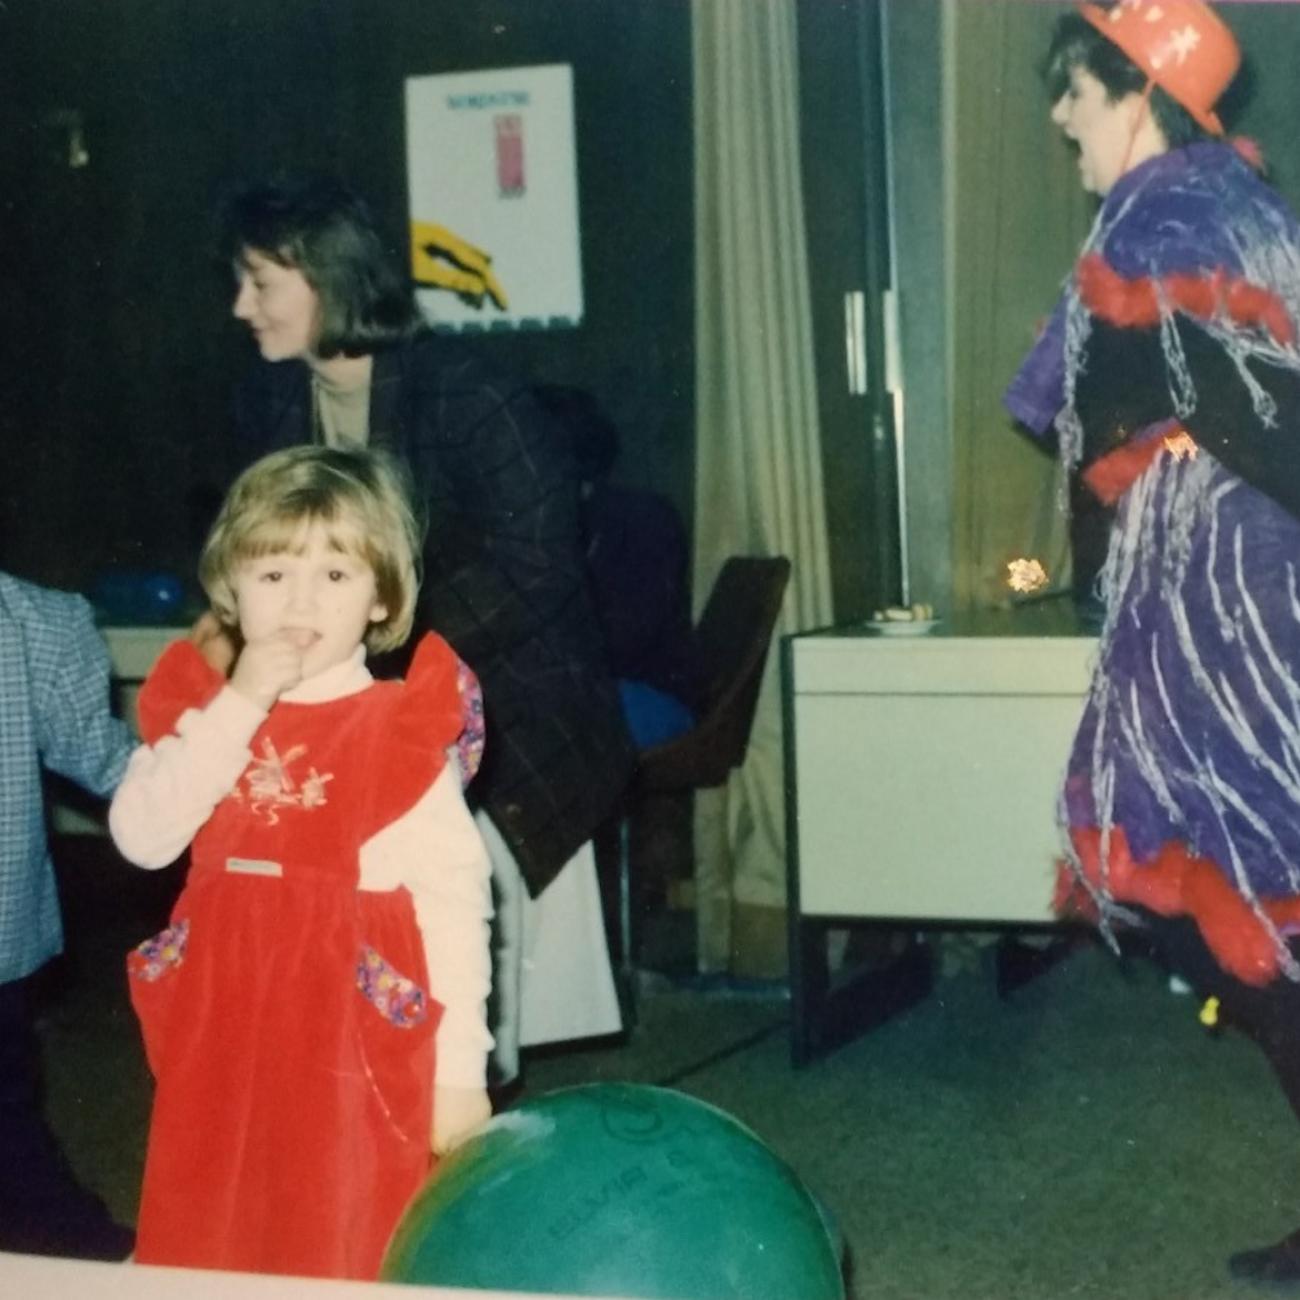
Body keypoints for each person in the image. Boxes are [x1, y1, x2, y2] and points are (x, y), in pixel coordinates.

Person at [217, 177, 635, 1086]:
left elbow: (542, 564)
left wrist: (387, 656)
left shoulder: (469, 393)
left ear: (326, 279)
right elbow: (254, 547)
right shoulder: (268, 402)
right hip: (344, 688)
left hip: (511, 690)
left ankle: (459, 1085)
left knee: (438, 914)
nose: (240, 306)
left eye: (260, 283)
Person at [1005, 0, 1300, 1283]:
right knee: (1236, 879)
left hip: (1219, 594)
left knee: (1216, 873)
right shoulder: (1236, 208)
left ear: (1139, 89)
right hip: (1234, 575)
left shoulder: (1158, 213)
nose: (1060, 114)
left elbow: (1064, 396)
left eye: (1074, 88)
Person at [109, 445, 493, 1279]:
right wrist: (240, 703)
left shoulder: (397, 732)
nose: (301, 602)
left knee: (340, 1227)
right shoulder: (204, 718)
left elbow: (456, 906)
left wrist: (459, 1072)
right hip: (223, 1029)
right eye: (274, 575)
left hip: (343, 1042)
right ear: (233, 591)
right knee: (212, 1219)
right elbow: (143, 838)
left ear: (381, 596)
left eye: (335, 575)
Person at [0, 572, 136, 1261]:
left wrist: (224, 716)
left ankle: (83, 1252)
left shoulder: (35, 626)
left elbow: (113, 763)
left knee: (7, 1123)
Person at [532, 383, 701, 749]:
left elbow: (631, 639)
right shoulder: (536, 524)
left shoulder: (642, 520)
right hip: (585, 693)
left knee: (535, 731)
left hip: (650, 695)